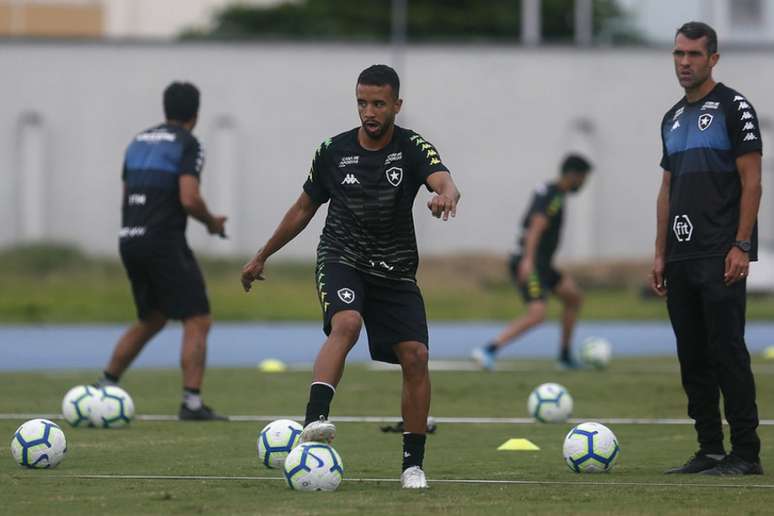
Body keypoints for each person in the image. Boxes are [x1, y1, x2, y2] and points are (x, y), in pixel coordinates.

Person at [241, 64, 460, 488]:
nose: (369, 112)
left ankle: (412, 466)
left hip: (395, 270)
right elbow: (304, 208)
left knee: (416, 356)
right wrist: (262, 255)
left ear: (397, 105)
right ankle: (313, 425)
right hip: (342, 257)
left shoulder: (413, 148)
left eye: (379, 103)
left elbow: (444, 180)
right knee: (347, 322)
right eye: (362, 103)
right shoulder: (333, 151)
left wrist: (445, 196)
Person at [653, 22, 763, 475]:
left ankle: (745, 454)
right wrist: (659, 253)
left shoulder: (733, 107)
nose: (684, 63)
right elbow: (666, 187)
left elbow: (752, 181)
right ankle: (710, 449)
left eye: (694, 55)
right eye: (678, 54)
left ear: (713, 58)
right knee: (692, 356)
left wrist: (741, 244)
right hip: (681, 256)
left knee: (727, 352)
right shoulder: (672, 117)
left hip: (721, 252)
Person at [96, 82, 228, 421]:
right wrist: (212, 222)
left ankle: (103, 387)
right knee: (197, 317)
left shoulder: (137, 141)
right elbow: (188, 197)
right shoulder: (189, 143)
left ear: (165, 108)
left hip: (129, 237)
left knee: (152, 317)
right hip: (163, 239)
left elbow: (127, 192)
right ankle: (192, 403)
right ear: (195, 115)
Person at [471, 155, 592, 371]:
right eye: (583, 178)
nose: (583, 184)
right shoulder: (553, 195)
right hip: (531, 262)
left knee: (573, 297)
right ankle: (488, 350)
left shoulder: (552, 192)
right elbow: (536, 226)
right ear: (574, 175)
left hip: (541, 264)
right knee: (537, 314)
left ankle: (564, 356)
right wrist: (527, 261)